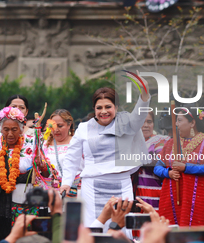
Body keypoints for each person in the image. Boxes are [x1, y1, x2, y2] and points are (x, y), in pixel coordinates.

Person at [60, 72, 151, 227]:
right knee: (94, 228)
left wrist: (145, 92)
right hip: (92, 186)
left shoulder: (128, 122)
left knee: (121, 230)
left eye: (108, 107)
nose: (104, 111)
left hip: (121, 184)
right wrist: (66, 182)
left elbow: (140, 112)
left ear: (116, 107)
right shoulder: (84, 128)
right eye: (99, 107)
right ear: (94, 109)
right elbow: (71, 158)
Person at [0, 106, 51, 243]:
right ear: (1, 130)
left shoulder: (32, 141)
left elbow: (46, 172)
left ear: (21, 129)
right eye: (6, 130)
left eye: (14, 129)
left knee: (29, 234)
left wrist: (41, 165)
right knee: (1, 234)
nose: (10, 134)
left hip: (27, 198)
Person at [154, 107, 204, 226]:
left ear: (192, 123)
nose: (176, 124)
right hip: (171, 198)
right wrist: (168, 173)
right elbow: (157, 168)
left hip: (198, 198)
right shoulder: (170, 143)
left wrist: (185, 167)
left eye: (179, 120)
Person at [131, 111, 170, 211]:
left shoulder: (159, 141)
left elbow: (160, 162)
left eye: (149, 122)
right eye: (142, 122)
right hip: (134, 191)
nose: (146, 126)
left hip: (153, 190)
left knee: (151, 221)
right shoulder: (130, 142)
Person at [43, 109, 83, 196]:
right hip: (51, 194)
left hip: (75, 191)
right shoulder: (45, 145)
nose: (56, 130)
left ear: (69, 125)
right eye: (53, 126)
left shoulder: (78, 143)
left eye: (60, 126)